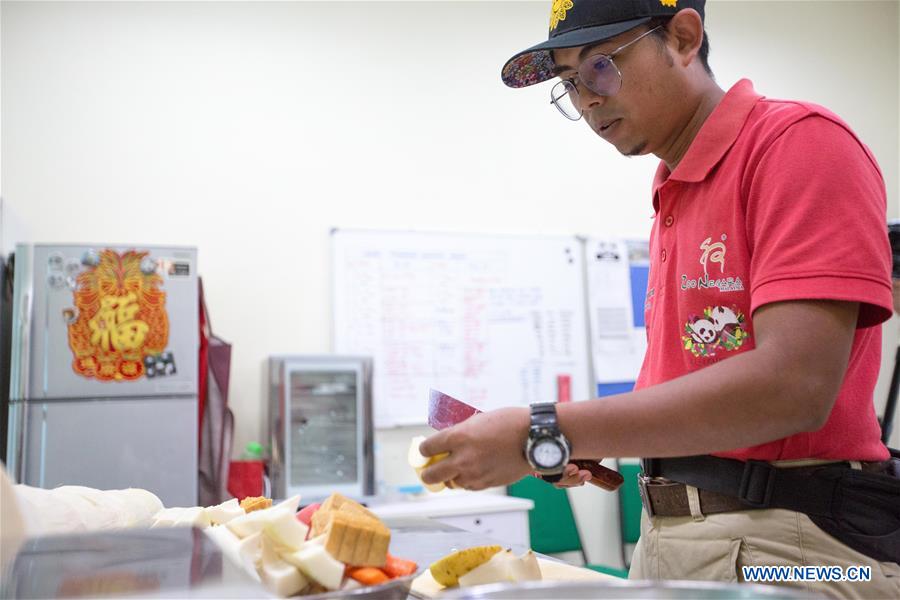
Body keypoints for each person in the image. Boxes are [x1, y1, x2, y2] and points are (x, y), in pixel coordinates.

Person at [418, 1, 899, 597]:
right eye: (570, 82)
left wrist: (544, 428)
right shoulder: (674, 188)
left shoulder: (798, 145)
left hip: (789, 547)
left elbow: (793, 386)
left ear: (684, 37)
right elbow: (709, 386)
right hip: (673, 533)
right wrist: (585, 440)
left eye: (599, 66)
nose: (587, 98)